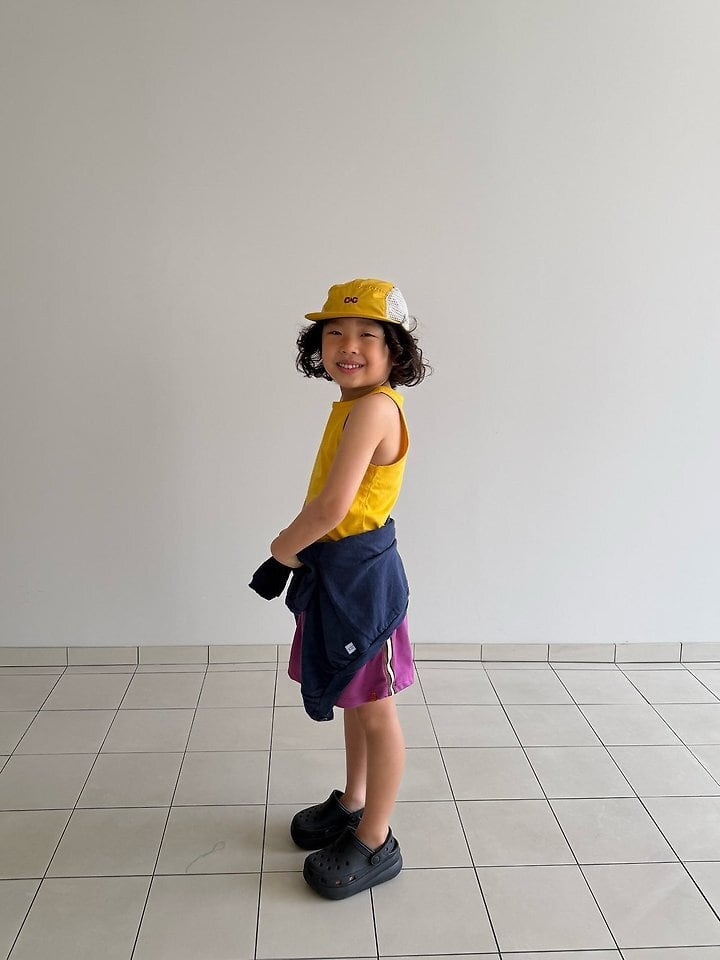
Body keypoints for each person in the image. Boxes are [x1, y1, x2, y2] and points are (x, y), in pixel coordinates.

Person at [266, 277, 429, 899]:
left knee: (375, 709)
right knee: (354, 696)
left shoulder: (376, 408)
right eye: (335, 332)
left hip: (361, 579)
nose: (348, 345)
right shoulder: (353, 406)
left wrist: (281, 552)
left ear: (395, 351)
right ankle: (355, 802)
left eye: (367, 334)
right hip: (339, 569)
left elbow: (334, 505)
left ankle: (375, 839)